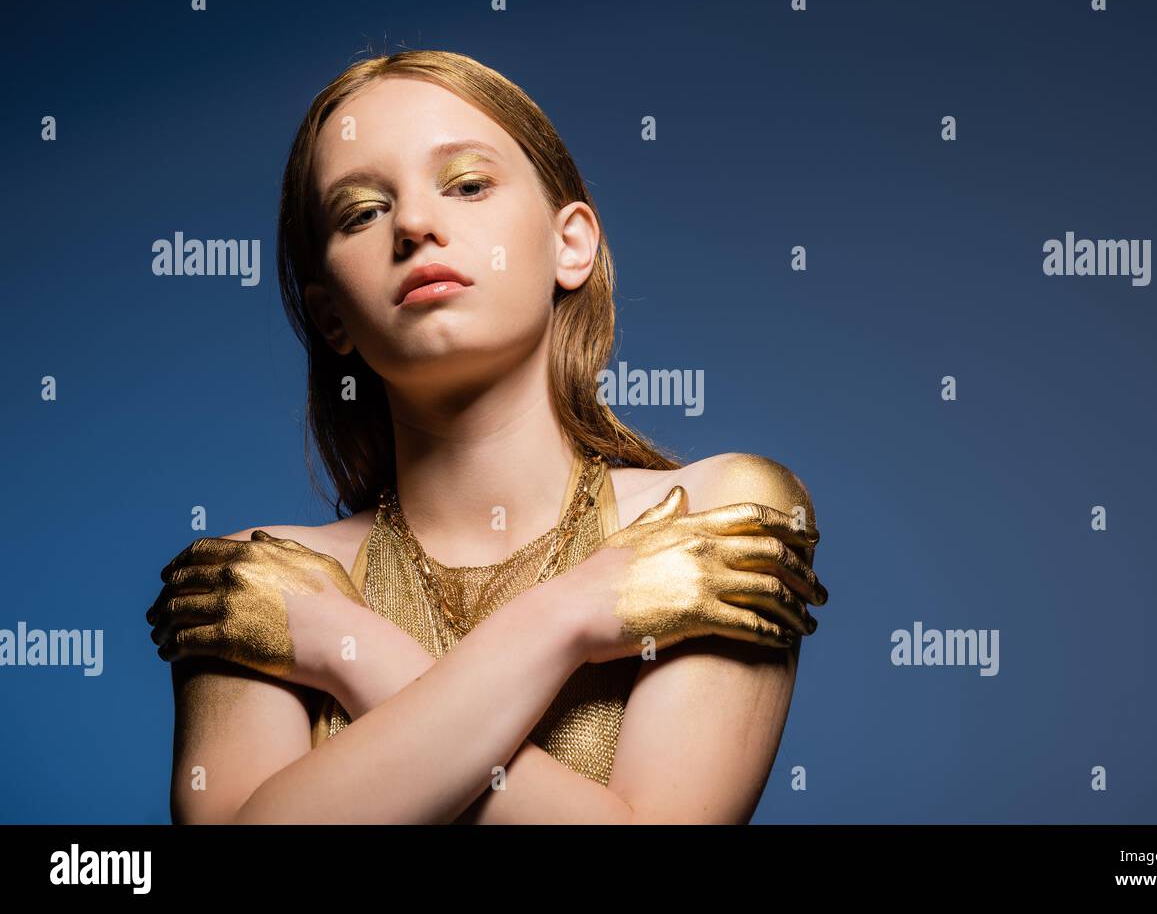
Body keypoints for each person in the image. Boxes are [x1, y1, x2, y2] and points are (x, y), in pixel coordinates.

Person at [146, 50, 828, 824]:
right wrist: (575, 614)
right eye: (361, 211)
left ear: (571, 244)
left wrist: (337, 643)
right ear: (330, 313)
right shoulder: (258, 584)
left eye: (468, 184)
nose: (412, 223)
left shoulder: (708, 516)